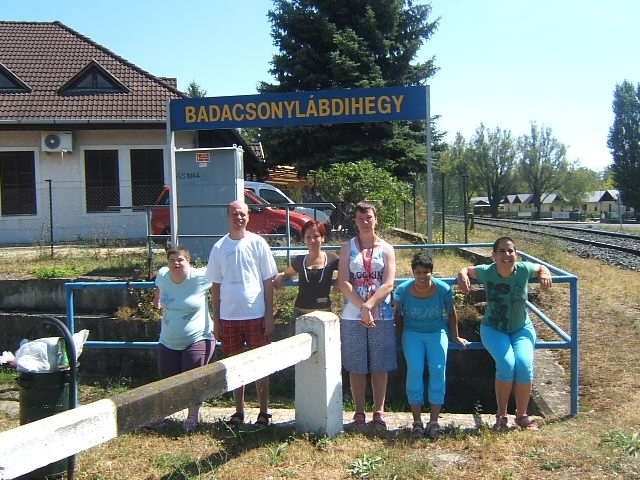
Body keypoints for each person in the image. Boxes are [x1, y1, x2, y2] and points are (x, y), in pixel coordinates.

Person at [456, 236, 552, 431]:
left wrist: (545, 272)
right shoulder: (487, 271)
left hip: (521, 328)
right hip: (493, 328)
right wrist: (462, 274)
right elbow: (467, 269)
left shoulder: (523, 269)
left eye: (511, 251)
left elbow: (540, 267)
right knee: (507, 364)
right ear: (493, 255)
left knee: (524, 365)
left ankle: (522, 416)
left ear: (516, 254)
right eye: (502, 251)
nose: (507, 255)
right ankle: (501, 415)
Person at [205, 200, 278, 428]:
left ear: (248, 217)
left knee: (261, 364)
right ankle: (238, 411)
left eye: (243, 214)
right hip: (229, 317)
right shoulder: (219, 248)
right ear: (228, 217)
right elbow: (216, 287)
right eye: (235, 214)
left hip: (256, 315)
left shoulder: (258, 243)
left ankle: (264, 412)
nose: (239, 218)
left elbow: (268, 282)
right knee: (235, 366)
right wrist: (216, 321)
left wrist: (268, 315)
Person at [393, 252, 468, 439]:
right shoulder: (403, 290)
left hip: (436, 332)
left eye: (426, 272)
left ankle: (434, 421)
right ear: (413, 273)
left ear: (431, 272)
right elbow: (398, 315)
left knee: (438, 370)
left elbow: (451, 312)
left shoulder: (443, 289)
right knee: (415, 370)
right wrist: (398, 336)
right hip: (412, 333)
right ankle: (417, 422)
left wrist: (455, 336)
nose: (422, 276)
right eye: (418, 272)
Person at [337, 201, 396, 430]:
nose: (364, 222)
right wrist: (362, 307)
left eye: (368, 217)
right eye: (360, 218)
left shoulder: (387, 249)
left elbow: (388, 283)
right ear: (355, 221)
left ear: (375, 219)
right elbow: (343, 282)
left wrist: (369, 306)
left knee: (380, 364)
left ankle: (379, 411)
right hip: (352, 314)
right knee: (356, 365)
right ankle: (359, 411)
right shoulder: (347, 248)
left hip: (381, 314)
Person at [151, 246, 214, 433]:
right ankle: (161, 416)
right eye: (172, 260)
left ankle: (192, 417)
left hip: (197, 337)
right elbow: (159, 284)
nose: (176, 264)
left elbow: (223, 276)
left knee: (192, 378)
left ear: (188, 261)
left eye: (180, 260)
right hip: (168, 340)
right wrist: (157, 297)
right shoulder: (163, 274)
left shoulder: (200, 277)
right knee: (167, 380)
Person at [273, 220, 339, 320]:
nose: (312, 241)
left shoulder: (332, 259)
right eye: (308, 237)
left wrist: (340, 279)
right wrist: (280, 276)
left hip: (324, 315)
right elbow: (287, 274)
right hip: (300, 314)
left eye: (316, 236)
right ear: (304, 239)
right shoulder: (300, 260)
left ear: (323, 238)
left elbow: (348, 269)